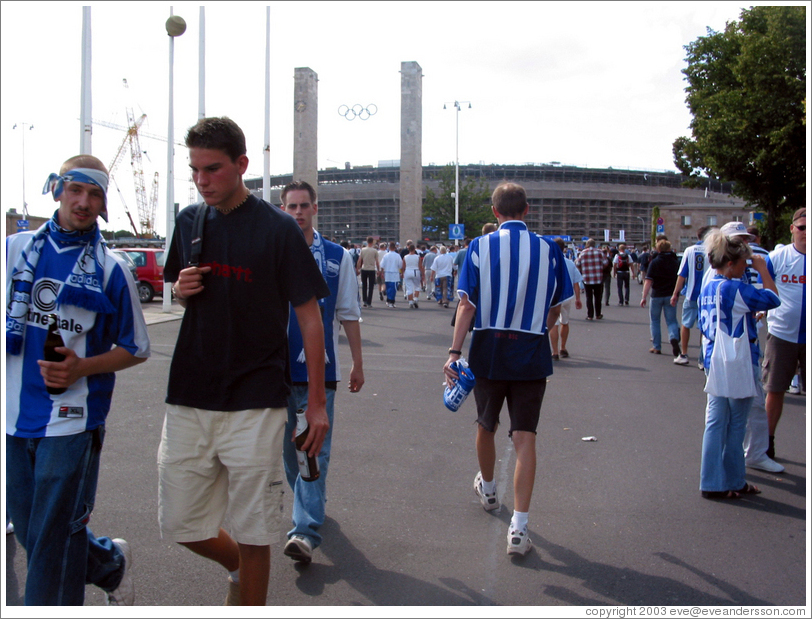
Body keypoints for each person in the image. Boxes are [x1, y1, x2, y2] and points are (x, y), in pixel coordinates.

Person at [159, 117, 330, 606]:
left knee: (256, 529)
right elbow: (178, 285)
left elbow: (310, 317)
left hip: (258, 397)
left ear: (241, 165)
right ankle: (233, 563)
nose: (202, 180)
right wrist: (179, 288)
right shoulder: (190, 220)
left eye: (212, 169)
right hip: (190, 392)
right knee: (180, 523)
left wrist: (315, 403)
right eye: (194, 170)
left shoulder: (278, 229)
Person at [6, 154, 150, 605]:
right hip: (13, 413)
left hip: (72, 418)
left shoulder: (112, 269)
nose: (84, 202)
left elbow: (137, 347)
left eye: (95, 195)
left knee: (49, 542)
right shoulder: (14, 249)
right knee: (35, 530)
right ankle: (109, 564)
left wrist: (81, 367)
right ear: (58, 190)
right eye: (76, 190)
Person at [444, 182, 572, 556]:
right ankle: (519, 527)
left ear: (494, 212)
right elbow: (557, 305)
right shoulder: (549, 249)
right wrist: (538, 329)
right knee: (524, 437)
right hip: (531, 351)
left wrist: (454, 351)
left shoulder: (479, 246)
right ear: (526, 210)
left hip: (489, 348)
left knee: (486, 424)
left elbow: (466, 305)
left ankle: (488, 487)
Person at [280, 180, 364, 565]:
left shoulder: (336, 256)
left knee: (314, 451)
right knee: (288, 453)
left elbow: (348, 311)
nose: (298, 212)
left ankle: (304, 531)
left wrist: (357, 363)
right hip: (274, 371)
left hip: (320, 373)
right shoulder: (271, 251)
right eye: (291, 206)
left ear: (315, 208)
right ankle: (311, 505)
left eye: (303, 205)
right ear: (283, 210)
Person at [698, 230, 780, 499]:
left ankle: (710, 481)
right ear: (731, 263)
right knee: (736, 424)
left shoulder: (708, 287)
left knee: (715, 422)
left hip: (713, 357)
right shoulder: (735, 288)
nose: (747, 268)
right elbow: (773, 298)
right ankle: (734, 480)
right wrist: (762, 268)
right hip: (737, 360)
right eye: (743, 263)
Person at [762, 208, 806, 462]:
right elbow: (762, 287)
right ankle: (767, 443)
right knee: (775, 389)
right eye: (802, 228)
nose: (806, 233)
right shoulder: (777, 257)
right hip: (782, 335)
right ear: (792, 229)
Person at [670, 226, 711, 366]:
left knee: (685, 325)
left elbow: (682, 274)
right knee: (704, 327)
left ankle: (684, 353)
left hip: (691, 294)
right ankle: (702, 357)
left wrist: (675, 293)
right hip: (706, 295)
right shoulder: (712, 251)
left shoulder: (690, 250)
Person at [641, 239, 680, 356]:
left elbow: (648, 281)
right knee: (672, 320)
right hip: (671, 294)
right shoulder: (675, 262)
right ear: (669, 249)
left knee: (655, 320)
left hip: (657, 294)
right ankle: (673, 337)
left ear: (658, 249)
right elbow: (680, 278)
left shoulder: (655, 262)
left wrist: (644, 296)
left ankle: (657, 346)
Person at [549, 238, 583, 359]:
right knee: (565, 322)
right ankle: (563, 347)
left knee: (554, 324)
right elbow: (576, 283)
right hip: (567, 296)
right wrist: (578, 298)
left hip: (554, 297)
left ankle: (554, 351)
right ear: (564, 249)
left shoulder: (550, 262)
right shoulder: (569, 263)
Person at [575, 238, 608, 320]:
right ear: (595, 244)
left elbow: (577, 263)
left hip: (587, 278)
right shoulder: (600, 252)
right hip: (598, 277)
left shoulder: (583, 253)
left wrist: (582, 269)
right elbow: (605, 263)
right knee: (598, 297)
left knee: (588, 297)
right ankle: (598, 314)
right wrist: (600, 268)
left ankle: (590, 315)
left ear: (587, 244)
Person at [356, 236, 380, 308]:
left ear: (367, 241)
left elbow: (359, 260)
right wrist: (378, 270)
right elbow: (377, 262)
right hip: (372, 269)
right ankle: (369, 301)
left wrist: (358, 268)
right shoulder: (375, 250)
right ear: (372, 242)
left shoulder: (363, 250)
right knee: (371, 286)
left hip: (364, 268)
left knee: (364, 285)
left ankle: (365, 301)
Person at [380, 241, 403, 307]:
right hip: (395, 273)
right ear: (395, 248)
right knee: (393, 288)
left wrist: (382, 273)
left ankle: (389, 300)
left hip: (387, 272)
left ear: (389, 247)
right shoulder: (397, 255)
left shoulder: (386, 255)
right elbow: (400, 265)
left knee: (388, 287)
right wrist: (401, 272)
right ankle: (391, 301)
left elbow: (382, 265)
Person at [401, 243, 423, 309]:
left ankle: (410, 302)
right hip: (416, 271)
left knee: (409, 288)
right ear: (414, 249)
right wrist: (423, 274)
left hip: (407, 271)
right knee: (417, 286)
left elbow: (403, 266)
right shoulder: (417, 257)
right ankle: (415, 299)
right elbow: (420, 266)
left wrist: (402, 273)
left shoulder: (405, 257)